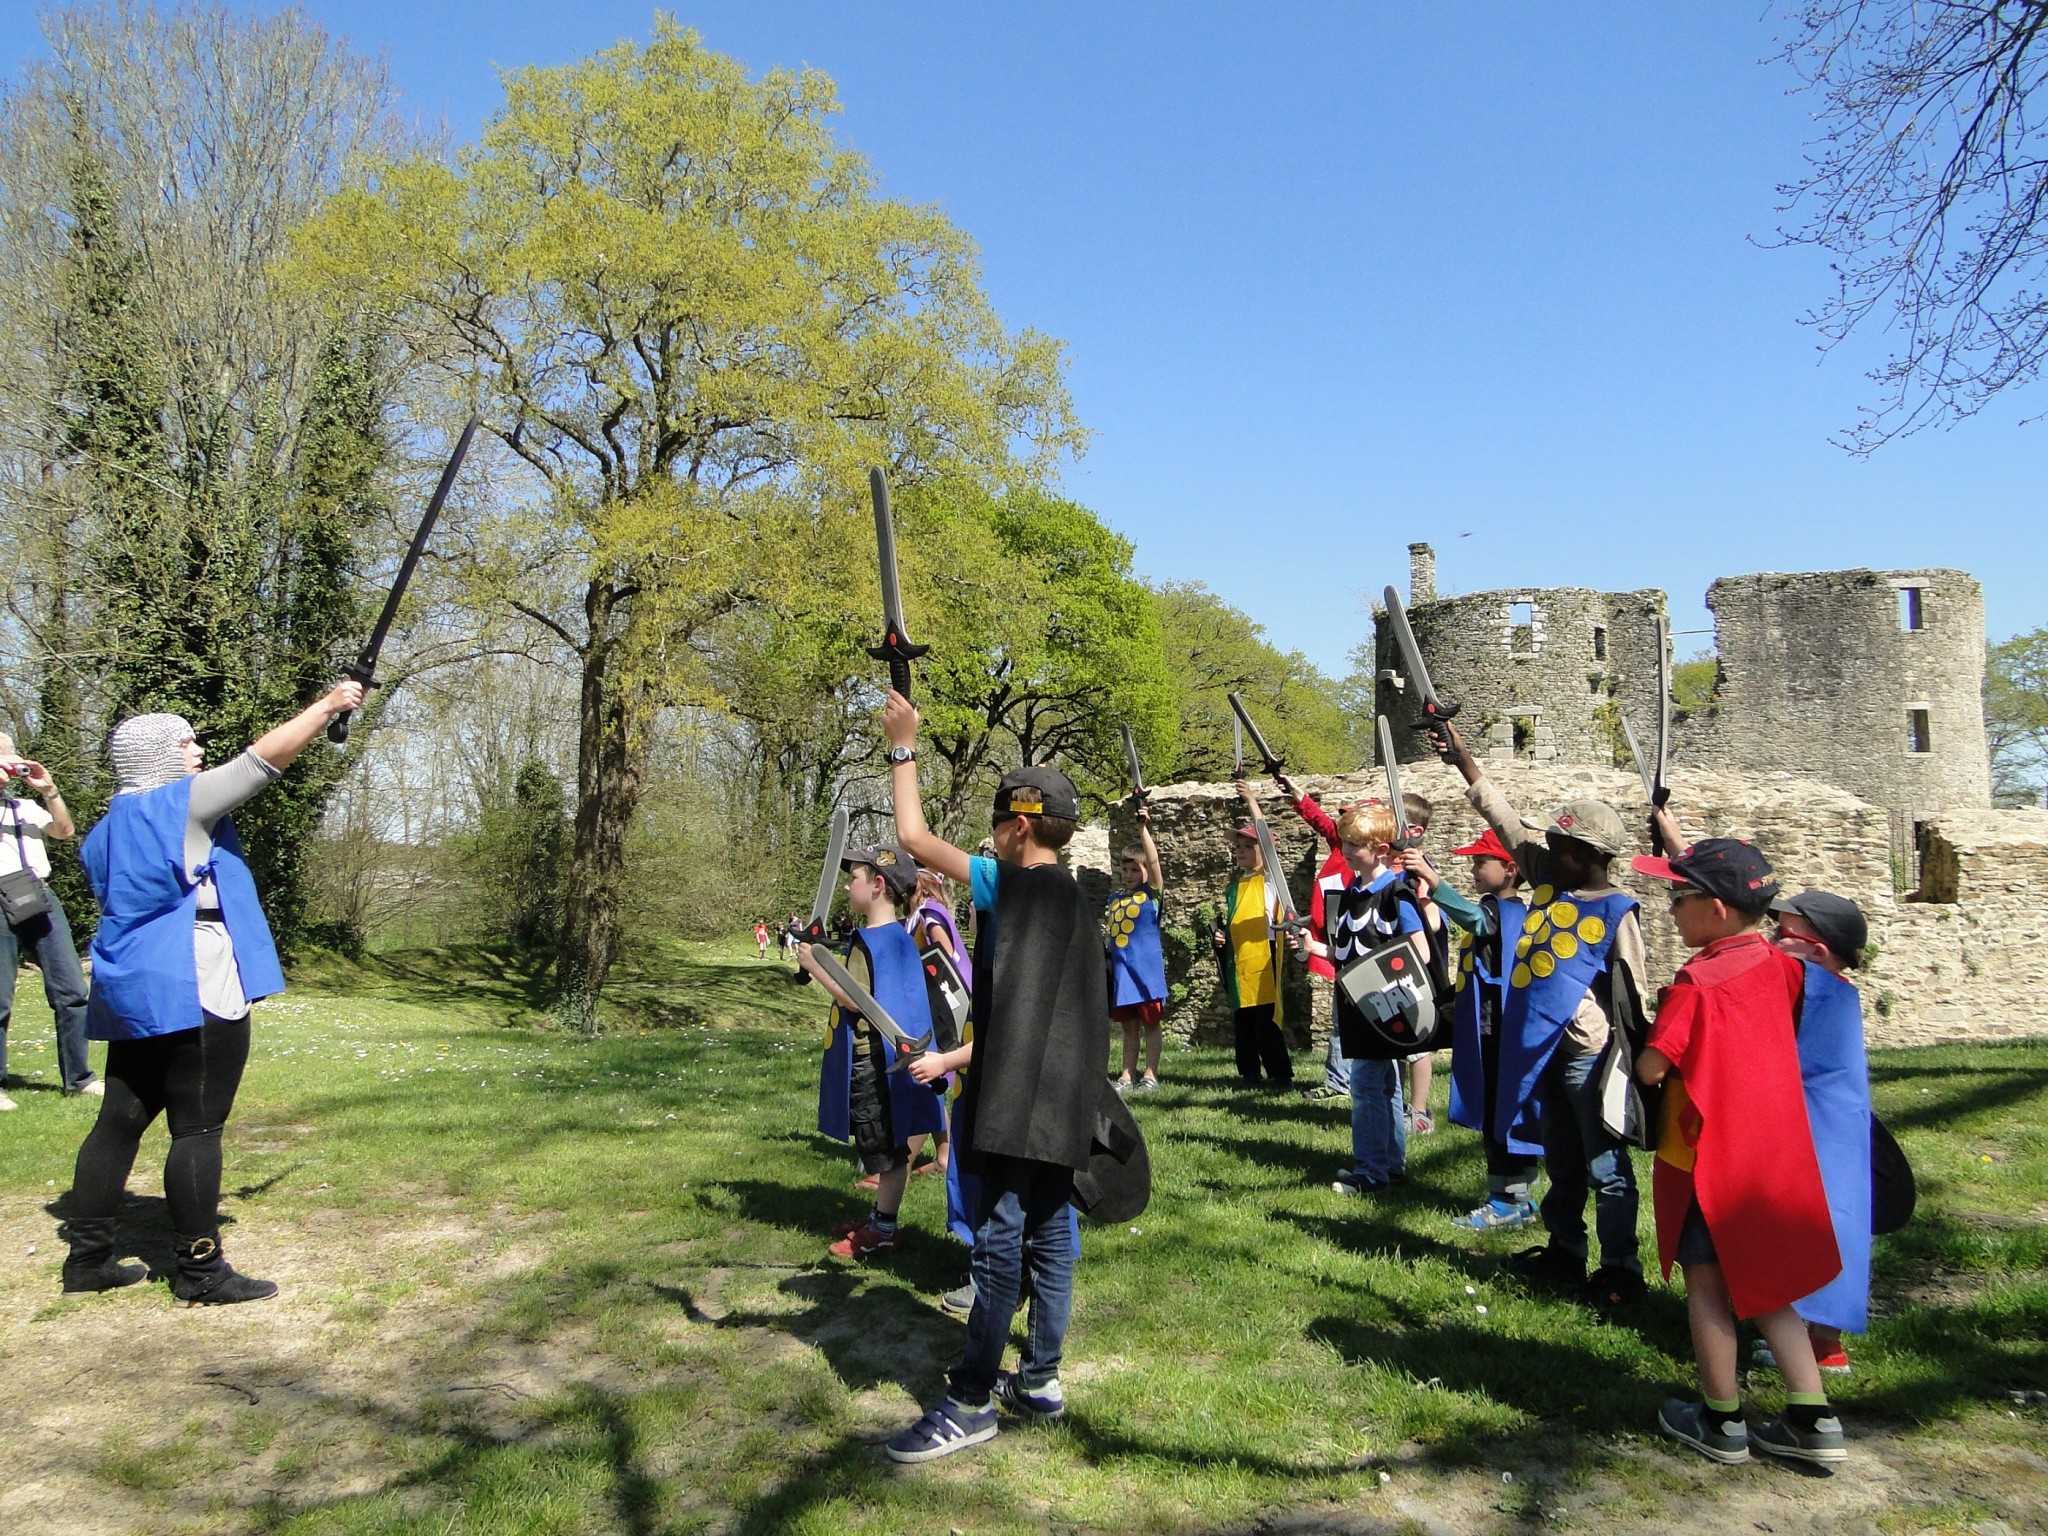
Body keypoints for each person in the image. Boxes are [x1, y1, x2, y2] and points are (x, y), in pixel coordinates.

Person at [59, 682, 364, 1301]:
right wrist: (327, 707)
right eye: (186, 741)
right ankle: (199, 1272)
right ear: (157, 757)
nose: (197, 750)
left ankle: (87, 1262)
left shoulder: (100, 833)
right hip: (193, 976)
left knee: (119, 1118)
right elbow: (260, 763)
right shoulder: (183, 805)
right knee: (197, 1127)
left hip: (129, 981)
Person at [881, 689, 1109, 1463]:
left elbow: (912, 836)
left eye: (997, 829)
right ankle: (1040, 1380)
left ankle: (971, 1399)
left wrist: (904, 744)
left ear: (1018, 828)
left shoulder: (1005, 883)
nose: (992, 841)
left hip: (1015, 1104)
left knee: (998, 1243)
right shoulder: (1084, 902)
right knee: (1050, 1238)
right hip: (1065, 1103)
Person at [1633, 839, 1847, 1468]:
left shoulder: (1696, 983)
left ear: (1717, 911)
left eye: (1680, 896)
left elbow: (1651, 1068)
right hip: (1772, 1153)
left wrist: (1644, 1041)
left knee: (1708, 1287)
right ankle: (1815, 1418)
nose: (1672, 908)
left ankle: (1721, 1421)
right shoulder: (1782, 966)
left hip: (1711, 1159)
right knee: (1769, 1285)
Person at [1431, 719, 1648, 1309]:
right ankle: (1565, 1251)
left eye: (1560, 846)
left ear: (1587, 856)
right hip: (1541, 1051)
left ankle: (1620, 1269)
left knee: (1605, 1166)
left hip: (1587, 1054)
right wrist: (1463, 761)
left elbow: (1633, 996)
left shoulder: (1618, 912)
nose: (1545, 850)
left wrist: (1637, 1064)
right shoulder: (1552, 880)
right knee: (1560, 1158)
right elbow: (1504, 819)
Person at [802, 843, 946, 1259]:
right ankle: (878, 1217)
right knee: (880, 1144)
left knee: (885, 1148)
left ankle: (883, 1229)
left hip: (876, 1062)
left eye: (855, 879)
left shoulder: (877, 942)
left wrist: (817, 968)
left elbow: (856, 999)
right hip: (879, 1060)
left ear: (878, 885)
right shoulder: (896, 938)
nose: (848, 886)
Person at [1762, 888, 1873, 1377]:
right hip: (1831, 1125)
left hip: (1816, 1127)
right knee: (1831, 1223)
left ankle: (1809, 1337)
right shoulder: (1824, 988)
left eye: (1780, 934)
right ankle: (1824, 1338)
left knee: (1809, 1222)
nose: (1768, 940)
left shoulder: (1816, 989)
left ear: (1818, 952)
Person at [1290, 802, 1428, 1195]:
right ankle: (1388, 1164)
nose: (1346, 851)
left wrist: (1386, 983)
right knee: (1383, 1084)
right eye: (1345, 842)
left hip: (1383, 1003)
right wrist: (1314, 946)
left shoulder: (1396, 892)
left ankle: (1371, 1171)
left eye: (1355, 845)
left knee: (1369, 1085)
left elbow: (1420, 949)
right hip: (1357, 1001)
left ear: (1381, 850)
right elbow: (1347, 951)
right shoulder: (1352, 891)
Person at [1409, 826, 1542, 1229]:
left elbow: (1474, 920)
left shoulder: (1502, 913)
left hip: (1499, 1030)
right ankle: (1506, 1193)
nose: (1473, 867)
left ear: (1510, 868)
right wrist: (1455, 997)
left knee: (1503, 1114)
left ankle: (1511, 1199)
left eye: (1481, 861)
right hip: (1484, 1024)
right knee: (1492, 1113)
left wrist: (1434, 883)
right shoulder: (1492, 910)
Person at [0, 735, 98, 1107]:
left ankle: (79, 1078)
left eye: (12, 762)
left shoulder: (24, 807)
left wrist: (49, 790)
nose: (9, 771)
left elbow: (64, 831)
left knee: (71, 989)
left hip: (37, 895)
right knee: (0, 997)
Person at [1271, 769, 1352, 1102]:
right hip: (1333, 939)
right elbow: (1320, 820)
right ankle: (1340, 1080)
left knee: (1350, 1017)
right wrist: (1295, 793)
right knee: (1340, 1017)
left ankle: (1347, 1081)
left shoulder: (1381, 859)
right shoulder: (1340, 846)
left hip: (1358, 942)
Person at [1212, 781, 1293, 1088]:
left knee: (1265, 1020)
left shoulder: (1270, 879)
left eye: (1249, 846)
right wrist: (1222, 938)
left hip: (1264, 955)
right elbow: (1235, 921)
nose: (1242, 852)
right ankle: (1248, 1072)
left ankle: (1279, 1074)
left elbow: (1266, 841)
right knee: (1243, 1020)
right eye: (1238, 847)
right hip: (1240, 959)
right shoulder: (1235, 886)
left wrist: (1251, 801)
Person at [1106, 802, 1168, 1093]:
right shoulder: (1115, 898)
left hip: (1147, 975)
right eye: (1125, 869)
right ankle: (1127, 1075)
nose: (1129, 874)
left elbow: (1155, 866)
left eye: (1135, 869)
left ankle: (1151, 1075)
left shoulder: (1152, 895)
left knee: (1151, 1025)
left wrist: (1143, 829)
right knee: (1129, 1028)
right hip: (1123, 975)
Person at [1395, 791, 1440, 1135]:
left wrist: (1423, 894)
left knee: (1417, 1045)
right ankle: (1395, 1105)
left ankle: (1420, 1110)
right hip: (1390, 963)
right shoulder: (1389, 869)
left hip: (1416, 965)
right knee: (1394, 1041)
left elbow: (1434, 921)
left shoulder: (1420, 871)